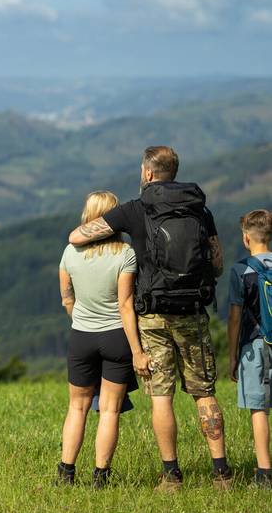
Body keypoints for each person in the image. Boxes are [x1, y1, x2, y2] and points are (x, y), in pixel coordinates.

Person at [68, 145, 231, 492]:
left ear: (147, 172)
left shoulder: (134, 209)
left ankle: (171, 475)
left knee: (161, 397)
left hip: (152, 315)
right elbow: (217, 264)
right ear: (174, 172)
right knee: (204, 393)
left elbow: (77, 236)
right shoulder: (201, 210)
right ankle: (222, 474)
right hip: (192, 312)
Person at [56, 191, 146, 487]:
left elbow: (67, 299)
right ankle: (101, 477)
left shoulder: (70, 252)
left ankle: (66, 473)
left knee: (77, 407)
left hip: (81, 336)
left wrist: (81, 320)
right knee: (109, 410)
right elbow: (125, 305)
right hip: (116, 337)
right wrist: (137, 350)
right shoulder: (125, 253)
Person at [227, 209, 272, 488]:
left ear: (246, 238)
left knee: (259, 409)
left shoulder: (241, 270)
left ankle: (264, 473)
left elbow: (234, 318)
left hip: (254, 344)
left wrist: (232, 356)